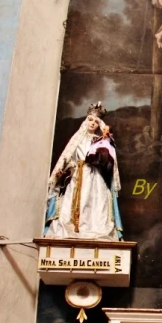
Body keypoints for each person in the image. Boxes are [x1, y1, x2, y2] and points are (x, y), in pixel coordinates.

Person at [44, 102, 123, 240]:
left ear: (100, 125)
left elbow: (109, 161)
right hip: (78, 175)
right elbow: (69, 159)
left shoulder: (101, 140)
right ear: (86, 121)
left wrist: (105, 144)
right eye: (90, 120)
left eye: (96, 122)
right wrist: (64, 171)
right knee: (72, 203)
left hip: (95, 176)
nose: (92, 123)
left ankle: (93, 229)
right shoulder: (78, 139)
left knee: (95, 203)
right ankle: (74, 230)